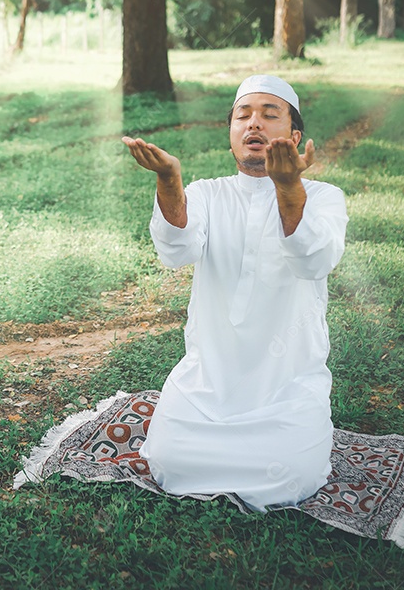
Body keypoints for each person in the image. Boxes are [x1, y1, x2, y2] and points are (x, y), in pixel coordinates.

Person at [120, 74, 348, 512]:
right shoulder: (207, 194)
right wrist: (168, 179)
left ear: (294, 137)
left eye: (269, 114)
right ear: (231, 135)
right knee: (168, 462)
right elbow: (176, 250)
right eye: (243, 116)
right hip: (207, 382)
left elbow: (313, 261)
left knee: (292, 476)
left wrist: (288, 187)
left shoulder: (324, 197)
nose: (253, 124)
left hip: (286, 388)